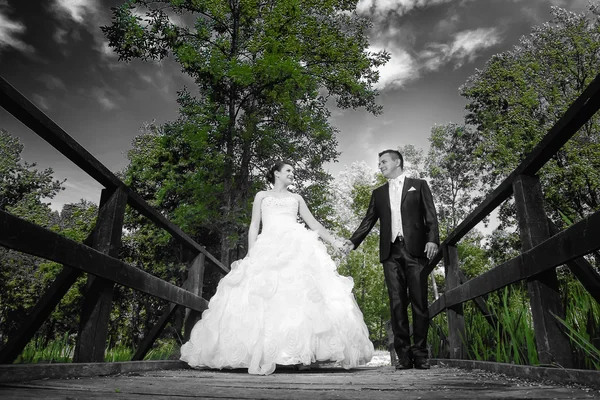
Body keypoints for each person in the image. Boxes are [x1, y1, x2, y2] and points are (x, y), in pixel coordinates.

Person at [180, 160, 374, 375]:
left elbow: (315, 225)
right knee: (263, 296)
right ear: (276, 173)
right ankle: (266, 353)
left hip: (296, 244)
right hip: (268, 245)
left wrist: (336, 243)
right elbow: (254, 225)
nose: (292, 174)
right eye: (288, 170)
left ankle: (299, 353)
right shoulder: (262, 196)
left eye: (293, 171)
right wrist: (252, 254)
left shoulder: (297, 198)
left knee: (300, 295)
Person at [343, 149, 439, 370]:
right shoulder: (378, 193)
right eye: (379, 163)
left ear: (397, 162)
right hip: (390, 252)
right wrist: (353, 241)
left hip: (416, 251)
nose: (380, 166)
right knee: (397, 304)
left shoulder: (419, 184)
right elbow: (368, 220)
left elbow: (430, 214)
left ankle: (421, 354)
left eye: (384, 162)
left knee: (419, 303)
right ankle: (404, 356)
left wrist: (432, 239)